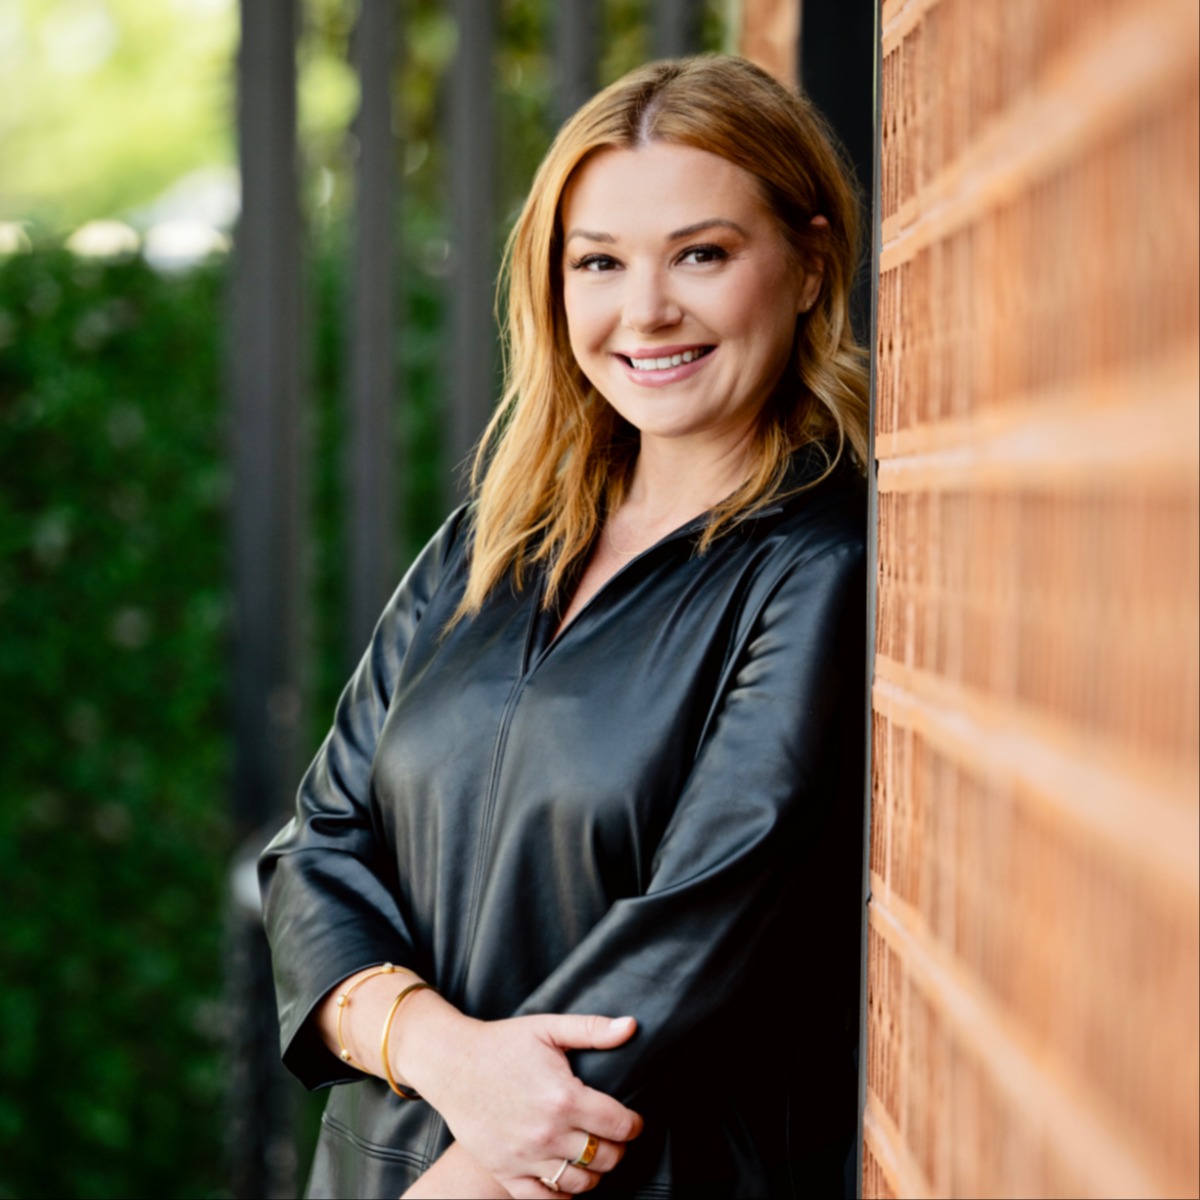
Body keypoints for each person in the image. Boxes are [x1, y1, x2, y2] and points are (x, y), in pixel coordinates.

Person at [259, 54, 870, 1199]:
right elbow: (318, 852)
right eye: (600, 262)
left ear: (809, 264)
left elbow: (674, 966)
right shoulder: (490, 545)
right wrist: (441, 1051)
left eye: (701, 253)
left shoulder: (822, 570)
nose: (646, 310)